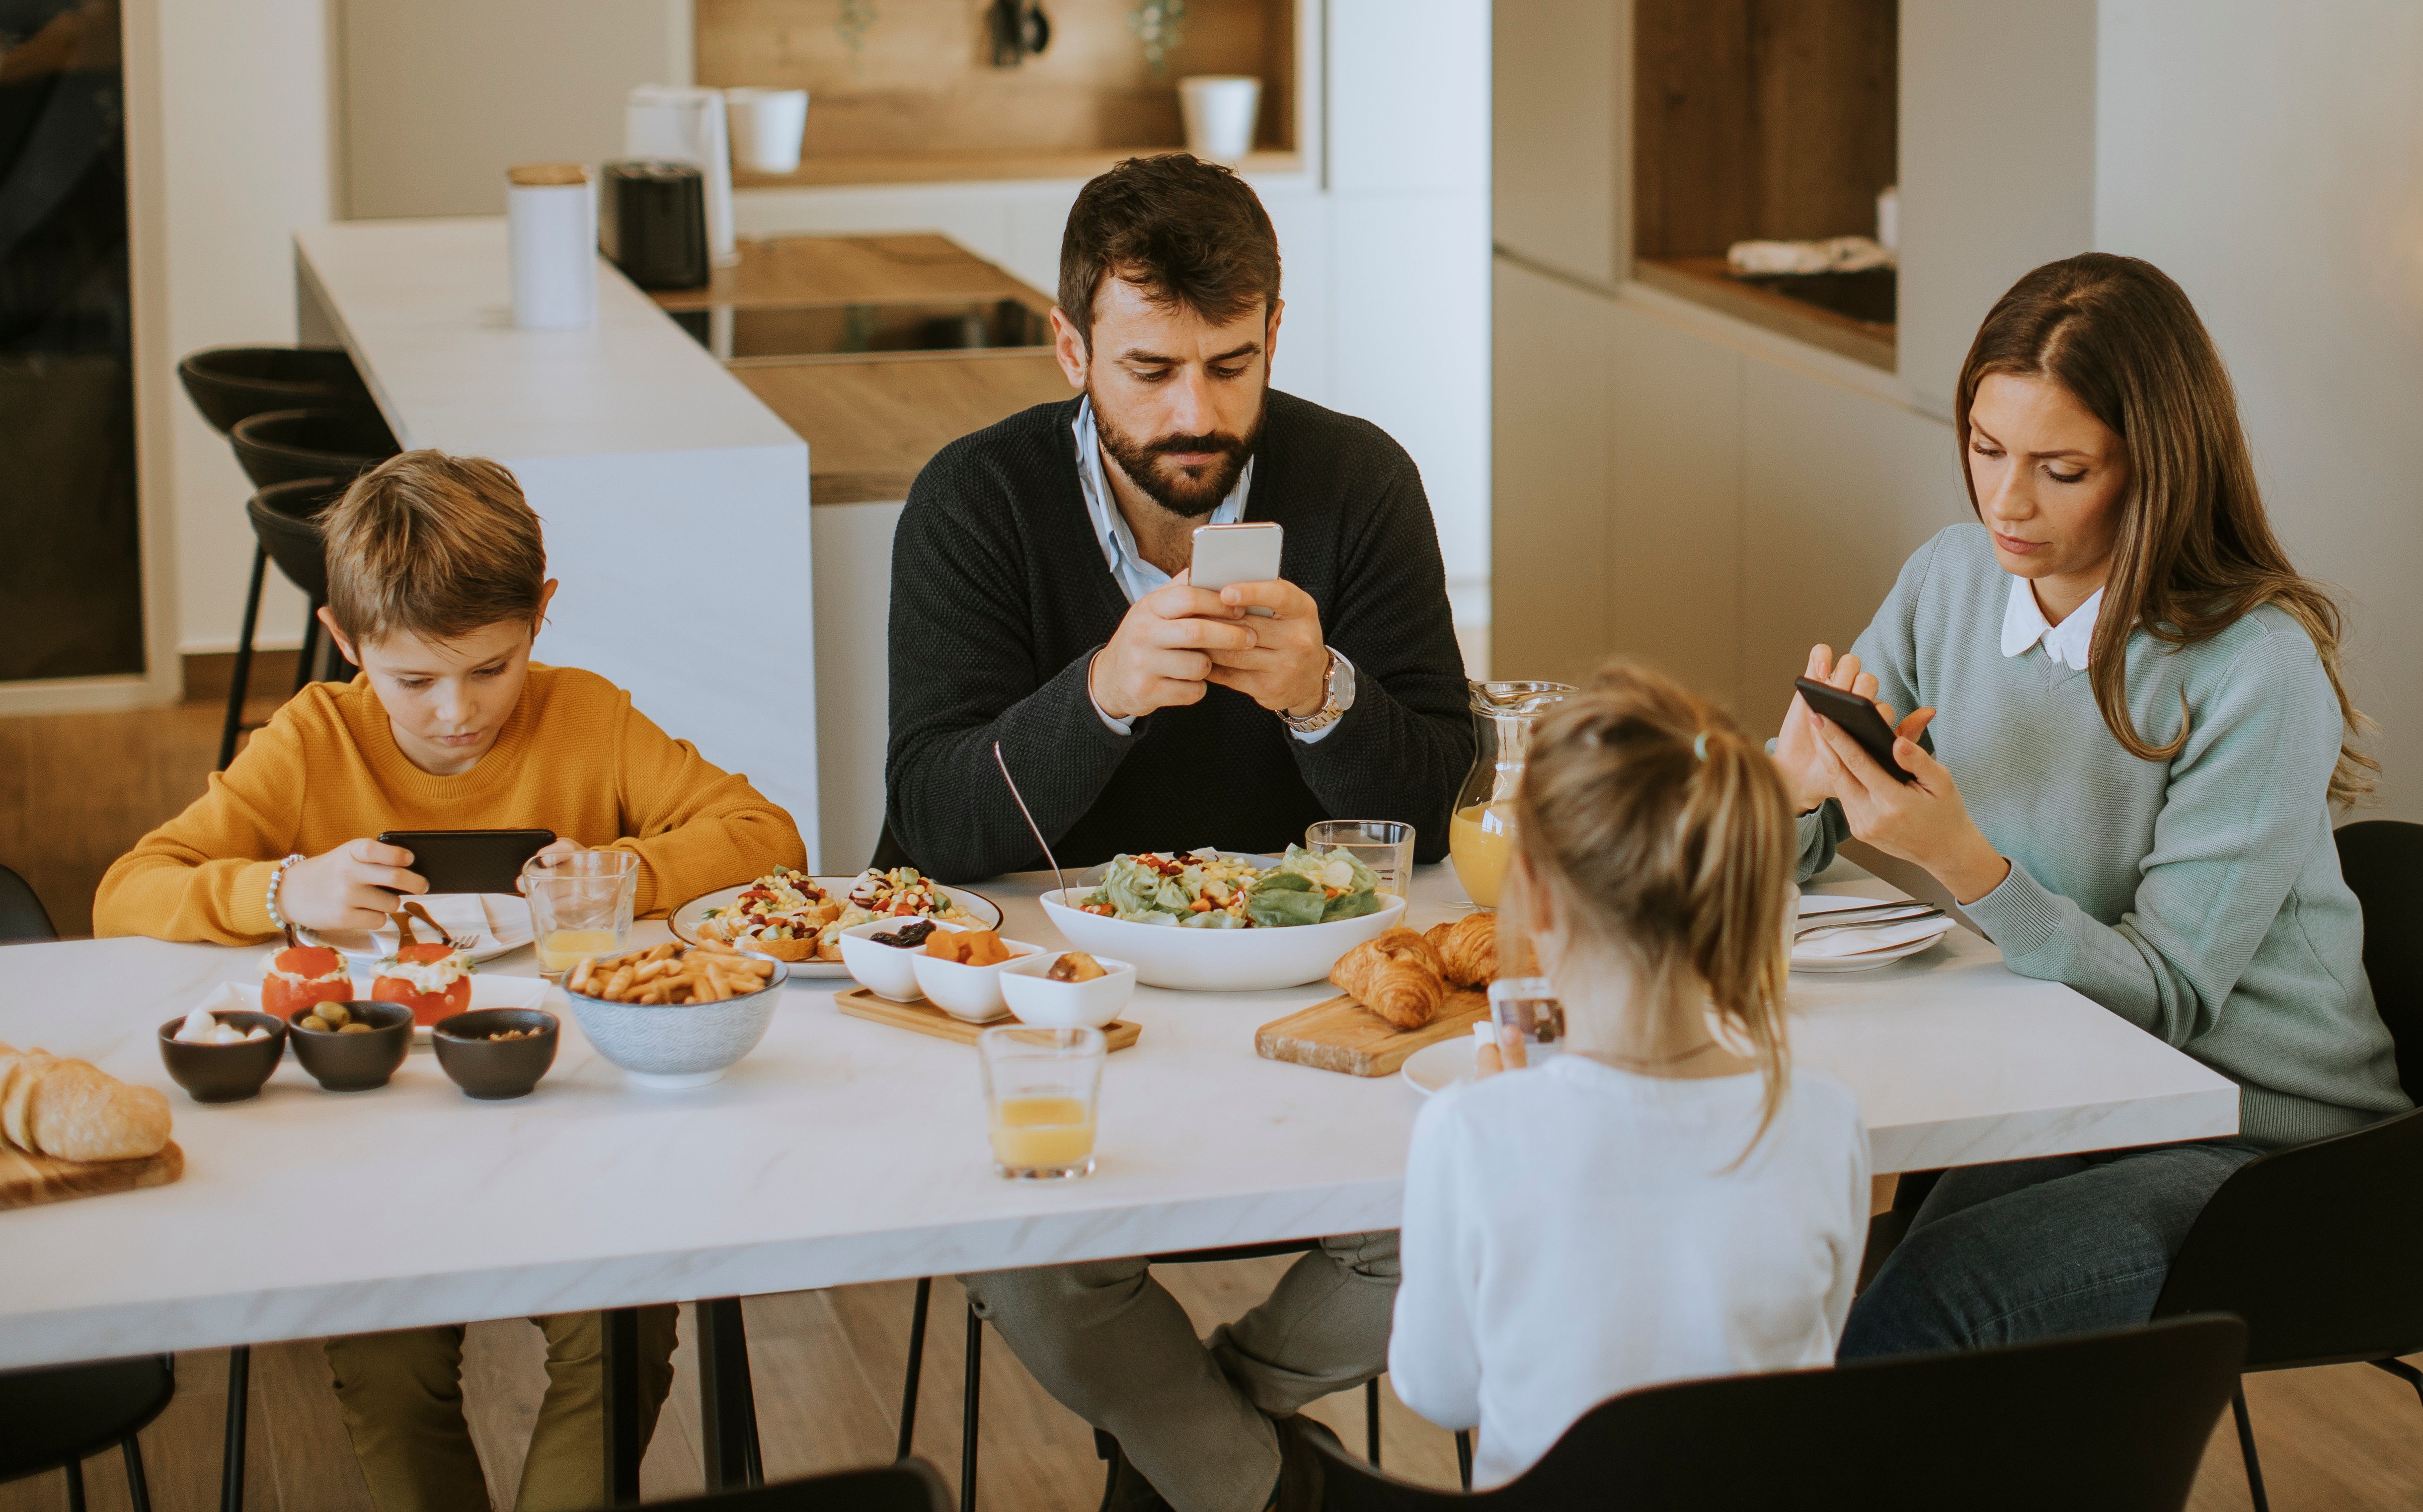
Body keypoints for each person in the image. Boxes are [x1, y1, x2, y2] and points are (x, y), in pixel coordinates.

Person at [879, 152, 1470, 1512]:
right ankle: (1271, 1492)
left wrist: (1328, 698)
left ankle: (1204, 1454)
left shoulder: (1357, 483)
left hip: (1306, 1001)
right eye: (1150, 369)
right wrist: (1098, 696)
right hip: (1048, 1001)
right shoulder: (977, 502)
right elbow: (934, 824)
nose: (1196, 411)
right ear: (1072, 344)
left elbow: (1440, 801)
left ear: (1274, 335)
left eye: (1232, 363)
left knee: (1466, 1204)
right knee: (1016, 1229)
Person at [95, 449, 808, 1512]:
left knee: (622, 1329)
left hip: (579, 1119)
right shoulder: (311, 739)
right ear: (347, 643)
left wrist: (628, 870)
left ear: (540, 617)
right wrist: (287, 886)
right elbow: (130, 887)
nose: (456, 712)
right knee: (384, 1361)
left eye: (492, 666)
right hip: (373, 1137)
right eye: (413, 679)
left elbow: (768, 834)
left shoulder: (587, 715)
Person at [1771, 253, 2412, 1356]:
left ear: (2154, 466)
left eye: (2061, 467)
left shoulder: (2254, 665)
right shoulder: (1953, 580)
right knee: (1805, 1266)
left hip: (2261, 1135)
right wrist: (1786, 789)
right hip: (2072, 1068)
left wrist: (1971, 866)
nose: (2006, 501)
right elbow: (1809, 833)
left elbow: (2168, 997)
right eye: (1985, 449)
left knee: (1926, 1311)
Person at [1388, 664, 1871, 1489]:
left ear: (1532, 893)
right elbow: (1805, 1360)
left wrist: (1505, 1116)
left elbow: (1441, 1392)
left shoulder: (1469, 1133)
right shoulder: (1824, 1122)